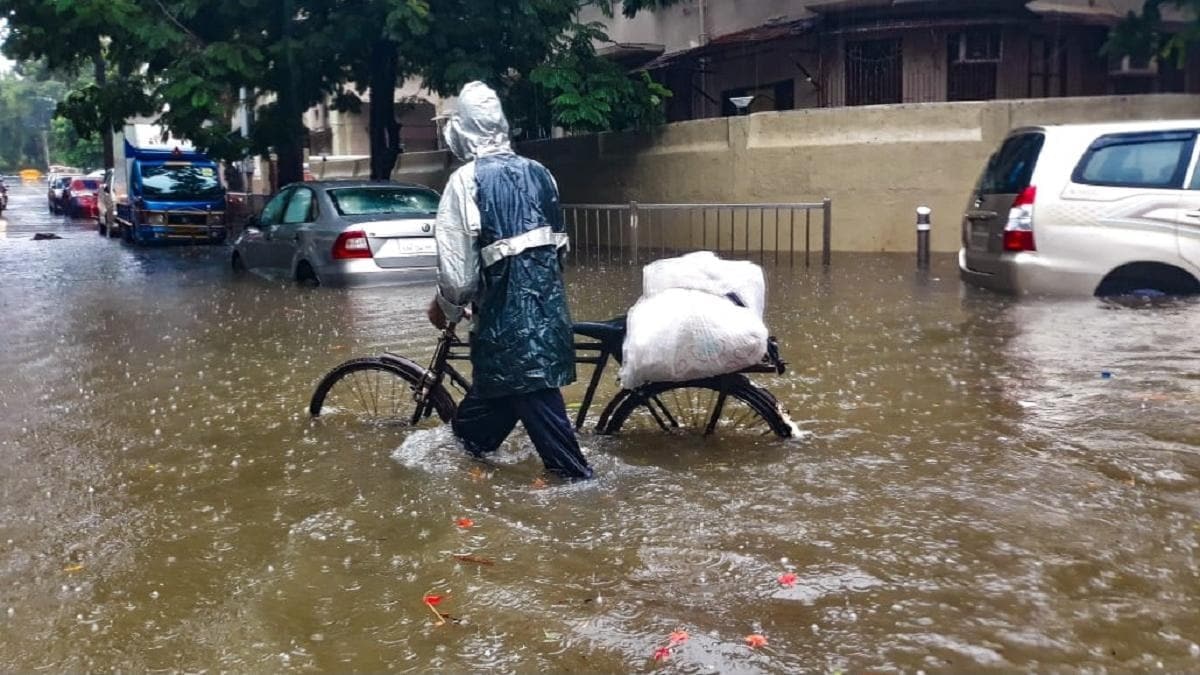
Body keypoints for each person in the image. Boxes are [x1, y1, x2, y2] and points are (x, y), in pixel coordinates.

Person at [426, 81, 593, 482]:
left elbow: (458, 275)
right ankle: (472, 485)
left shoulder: (466, 181)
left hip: (507, 339)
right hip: (547, 325)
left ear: (462, 131)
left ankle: (587, 516)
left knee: (573, 475)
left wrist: (445, 309)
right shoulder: (542, 174)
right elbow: (557, 253)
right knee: (465, 440)